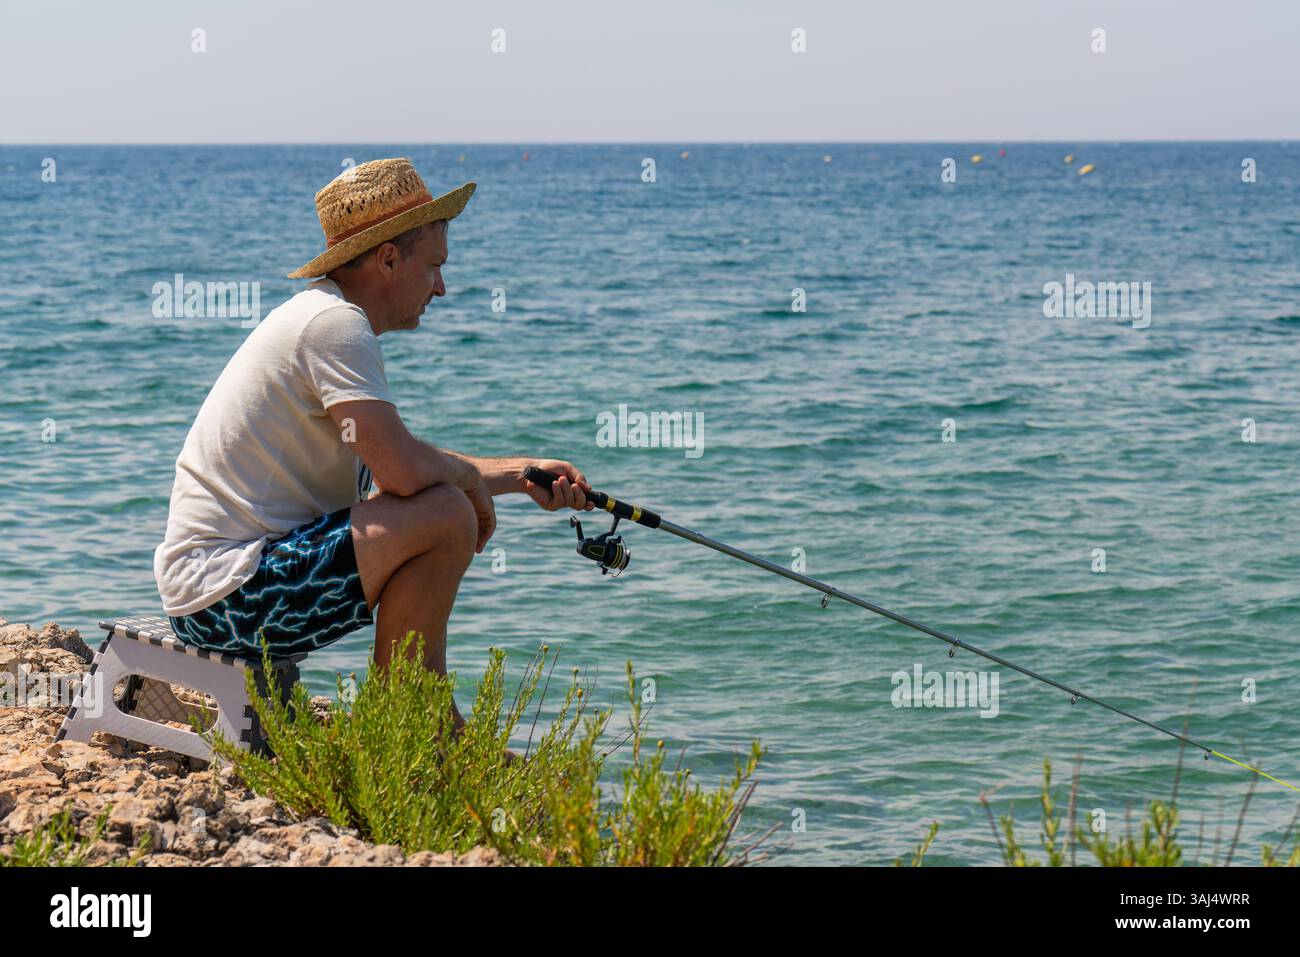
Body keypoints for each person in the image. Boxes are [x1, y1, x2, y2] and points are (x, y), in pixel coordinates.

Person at [154, 157, 593, 727]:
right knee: (443, 513)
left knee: (444, 507)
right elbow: (406, 475)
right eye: (434, 265)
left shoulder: (322, 318)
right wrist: (463, 489)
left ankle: (423, 724)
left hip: (229, 587)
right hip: (223, 596)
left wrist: (520, 474)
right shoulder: (333, 325)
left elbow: (402, 465)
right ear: (389, 257)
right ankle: (415, 732)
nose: (442, 286)